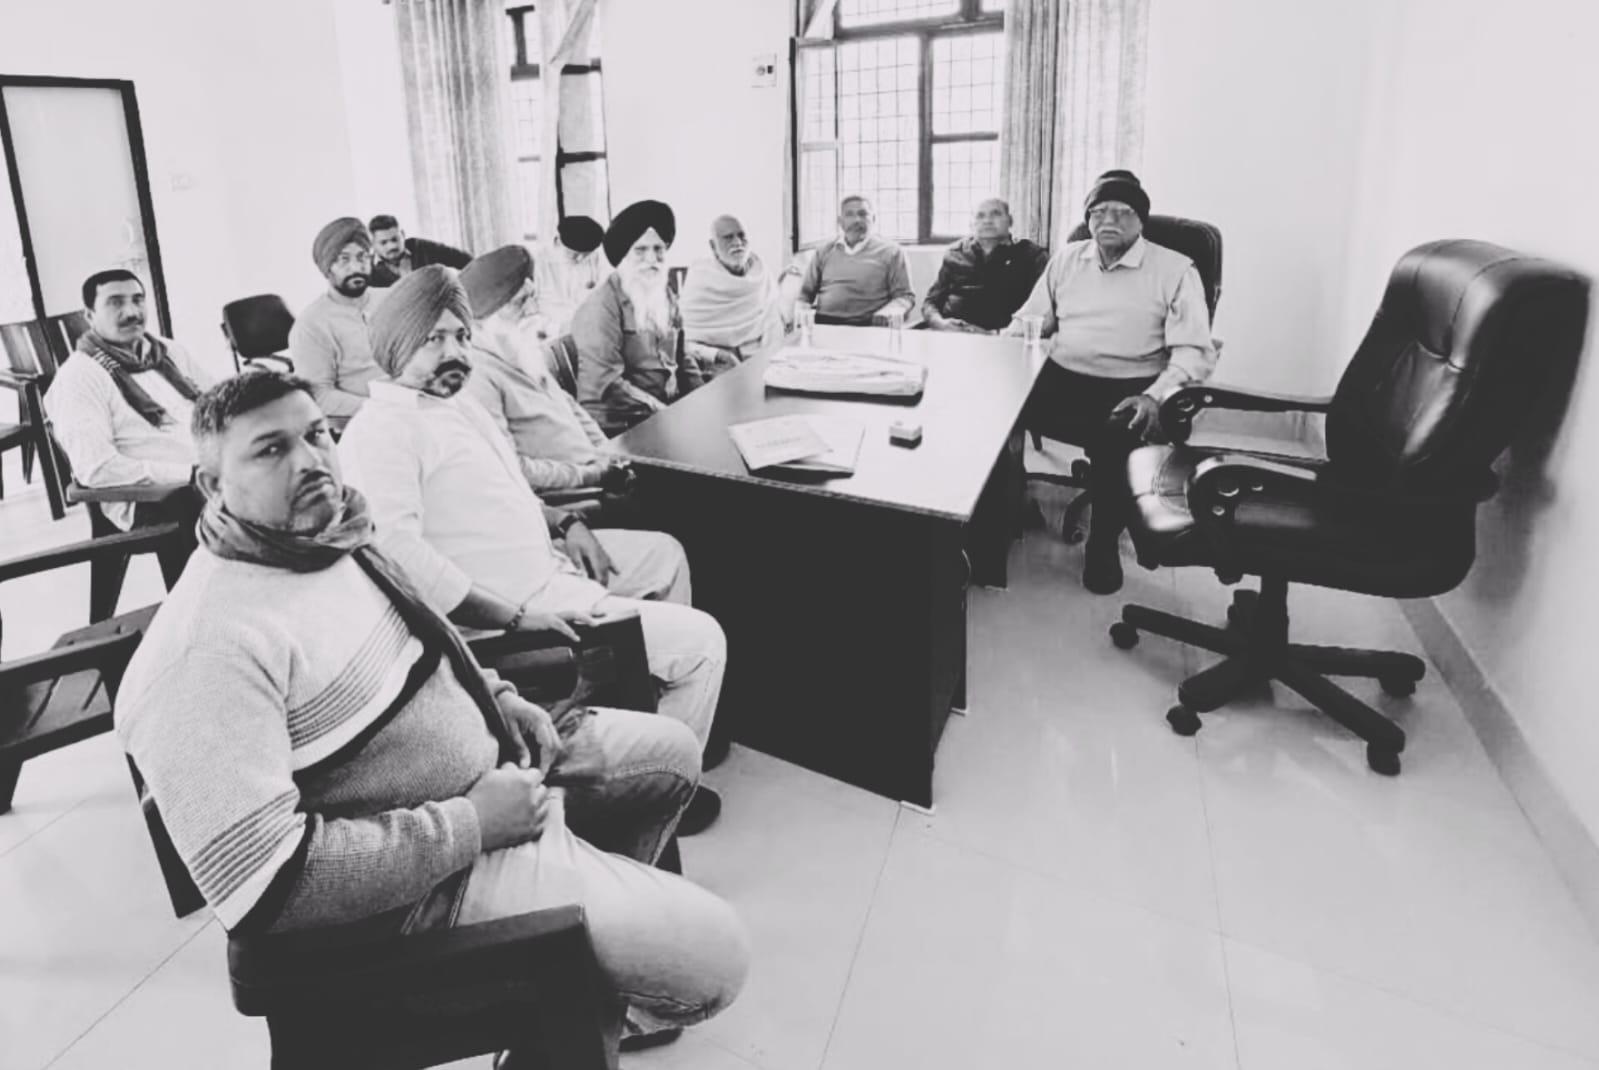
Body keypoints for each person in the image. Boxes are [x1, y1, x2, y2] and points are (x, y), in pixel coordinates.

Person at [115, 370, 748, 1054]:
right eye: (271, 449)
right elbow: (267, 886)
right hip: (420, 893)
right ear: (211, 484)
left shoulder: (330, 537)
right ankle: (558, 982)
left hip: (491, 781)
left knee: (672, 757)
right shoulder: (204, 651)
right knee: (716, 962)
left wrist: (501, 701)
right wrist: (474, 824)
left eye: (317, 435)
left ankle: (582, 979)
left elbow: (430, 644)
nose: (310, 460)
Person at [339, 265, 726, 832]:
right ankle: (662, 788)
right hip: (516, 615)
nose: (455, 353)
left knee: (665, 560)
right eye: (434, 339)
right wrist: (513, 616)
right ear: (398, 345)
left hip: (550, 574)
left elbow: (506, 492)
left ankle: (653, 734)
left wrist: (563, 523)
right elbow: (399, 557)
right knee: (702, 643)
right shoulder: (382, 431)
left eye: (462, 336)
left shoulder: (455, 406)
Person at [1008, 169, 1215, 595]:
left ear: (1141, 221)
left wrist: (1154, 396)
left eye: (1122, 213)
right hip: (1063, 375)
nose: (1108, 221)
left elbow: (1194, 351)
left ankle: (1102, 542)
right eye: (1098, 212)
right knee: (995, 408)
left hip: (1132, 385)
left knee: (1118, 435)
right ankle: (1007, 507)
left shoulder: (1175, 269)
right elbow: (1033, 319)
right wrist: (995, 346)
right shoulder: (1068, 258)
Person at [43, 268, 211, 575]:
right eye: (115, 302)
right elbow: (96, 468)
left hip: (209, 476)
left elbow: (220, 407)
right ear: (89, 315)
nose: (132, 312)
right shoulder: (79, 377)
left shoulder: (169, 352)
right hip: (155, 499)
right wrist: (190, 473)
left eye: (138, 300)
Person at [460, 244, 626, 494]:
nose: (532, 310)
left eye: (532, 297)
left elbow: (568, 406)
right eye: (519, 302)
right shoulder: (477, 376)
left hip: (601, 475)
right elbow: (510, 468)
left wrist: (609, 455)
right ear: (482, 320)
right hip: (570, 496)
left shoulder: (517, 348)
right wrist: (592, 475)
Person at [573, 200, 708, 435]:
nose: (652, 259)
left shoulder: (663, 293)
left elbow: (682, 356)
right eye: (641, 250)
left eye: (658, 249)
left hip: (660, 413)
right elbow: (608, 384)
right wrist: (666, 413)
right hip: (618, 423)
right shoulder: (601, 305)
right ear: (624, 254)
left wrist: (703, 398)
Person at [288, 217, 387, 419]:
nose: (356, 267)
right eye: (344, 260)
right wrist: (383, 409)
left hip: (416, 403)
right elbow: (319, 396)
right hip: (367, 421)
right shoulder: (311, 325)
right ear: (327, 267)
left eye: (362, 257)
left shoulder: (391, 299)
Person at [922, 198, 1049, 333]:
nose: (987, 221)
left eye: (995, 214)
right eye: (980, 216)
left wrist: (996, 334)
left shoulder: (1032, 256)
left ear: (1010, 221)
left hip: (1004, 337)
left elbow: (1042, 308)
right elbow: (931, 302)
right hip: (953, 334)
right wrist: (940, 323)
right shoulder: (955, 253)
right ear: (972, 223)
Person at [679, 214, 786, 367]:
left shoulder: (760, 272)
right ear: (713, 246)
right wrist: (716, 355)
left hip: (762, 357)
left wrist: (768, 359)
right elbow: (684, 341)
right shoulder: (700, 277)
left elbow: (774, 323)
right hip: (717, 362)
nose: (737, 243)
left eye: (742, 236)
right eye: (728, 238)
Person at [797, 195, 915, 327]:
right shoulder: (823, 251)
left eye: (863, 214)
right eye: (849, 214)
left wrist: (889, 312)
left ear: (873, 219)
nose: (857, 220)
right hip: (825, 325)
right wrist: (801, 313)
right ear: (840, 222)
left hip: (868, 327)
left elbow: (905, 296)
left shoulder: (892, 252)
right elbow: (805, 294)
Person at [533, 215, 610, 337]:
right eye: (574, 254)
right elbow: (527, 313)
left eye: (585, 255)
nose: (580, 259)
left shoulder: (595, 259)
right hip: (550, 334)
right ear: (559, 241)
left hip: (588, 330)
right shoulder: (537, 262)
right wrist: (556, 329)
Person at [368, 213, 472, 288]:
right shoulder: (368, 270)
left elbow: (465, 260)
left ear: (403, 235)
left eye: (395, 239)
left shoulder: (422, 247)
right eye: (384, 243)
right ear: (373, 244)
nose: (392, 246)